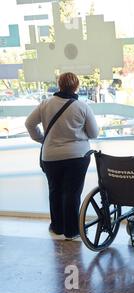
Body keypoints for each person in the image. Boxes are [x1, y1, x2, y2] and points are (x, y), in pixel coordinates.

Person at [25, 72, 99, 240]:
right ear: (76, 86)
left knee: (55, 190)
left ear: (59, 85)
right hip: (77, 156)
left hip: (50, 156)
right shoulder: (82, 107)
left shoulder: (45, 104)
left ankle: (57, 227)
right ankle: (72, 231)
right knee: (72, 193)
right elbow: (93, 133)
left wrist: (42, 139)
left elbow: (29, 123)